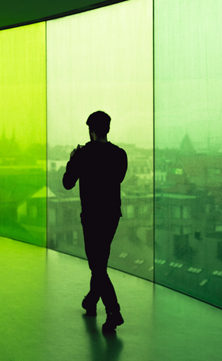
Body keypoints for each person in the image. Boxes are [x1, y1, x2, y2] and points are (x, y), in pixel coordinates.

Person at [63, 111, 128, 334]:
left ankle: (113, 311)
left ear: (90, 130)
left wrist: (73, 160)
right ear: (108, 129)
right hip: (111, 216)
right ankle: (91, 301)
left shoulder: (83, 155)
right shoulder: (120, 155)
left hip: (91, 217)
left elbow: (67, 183)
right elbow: (117, 178)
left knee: (97, 265)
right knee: (100, 262)